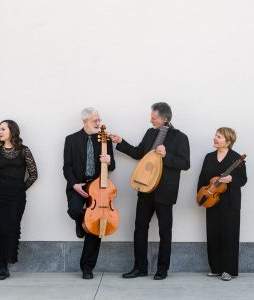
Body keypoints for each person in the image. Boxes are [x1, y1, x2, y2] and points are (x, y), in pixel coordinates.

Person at [110, 102, 190, 280]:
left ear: (164, 119)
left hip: (165, 192)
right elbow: (139, 153)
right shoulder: (150, 133)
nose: (150, 120)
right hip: (145, 188)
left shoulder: (180, 137)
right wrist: (121, 142)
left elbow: (185, 164)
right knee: (139, 228)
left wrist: (166, 155)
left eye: (153, 118)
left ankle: (162, 270)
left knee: (164, 231)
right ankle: (140, 268)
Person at [63, 107, 116, 279]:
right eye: (95, 120)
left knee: (96, 224)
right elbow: (67, 167)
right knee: (75, 210)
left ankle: (87, 267)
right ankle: (81, 221)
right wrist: (74, 185)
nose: (98, 123)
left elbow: (112, 166)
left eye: (99, 120)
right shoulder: (71, 139)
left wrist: (109, 161)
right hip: (78, 185)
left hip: (99, 187)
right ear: (85, 121)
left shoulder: (104, 139)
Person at [0, 120, 38, 280]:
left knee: (11, 227)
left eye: (3, 129)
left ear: (12, 131)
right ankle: (2, 267)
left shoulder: (24, 150)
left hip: (17, 196)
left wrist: (19, 188)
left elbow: (34, 174)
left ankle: (7, 261)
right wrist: (3, 186)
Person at [197, 127, 247, 281]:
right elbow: (202, 178)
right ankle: (216, 268)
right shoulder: (209, 157)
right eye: (215, 135)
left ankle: (228, 270)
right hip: (211, 199)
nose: (215, 138)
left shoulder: (236, 158)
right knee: (213, 234)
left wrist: (231, 180)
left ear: (228, 141)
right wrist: (200, 196)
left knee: (229, 235)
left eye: (218, 136)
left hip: (230, 201)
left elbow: (243, 180)